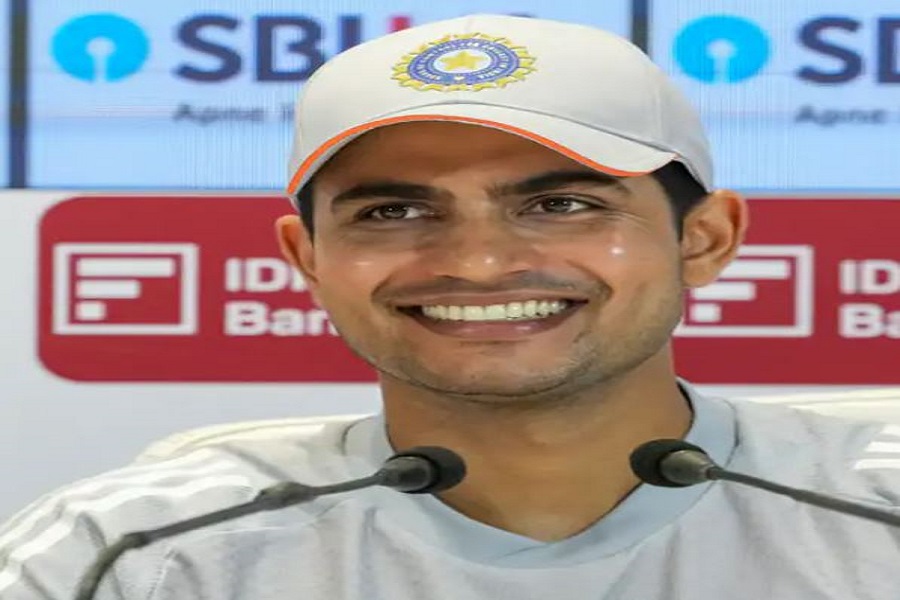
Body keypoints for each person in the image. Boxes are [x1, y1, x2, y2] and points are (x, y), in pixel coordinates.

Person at [2, 14, 899, 599]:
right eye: (393, 213)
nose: (477, 263)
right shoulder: (135, 552)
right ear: (307, 258)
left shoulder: (878, 515)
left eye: (561, 204)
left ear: (704, 238)